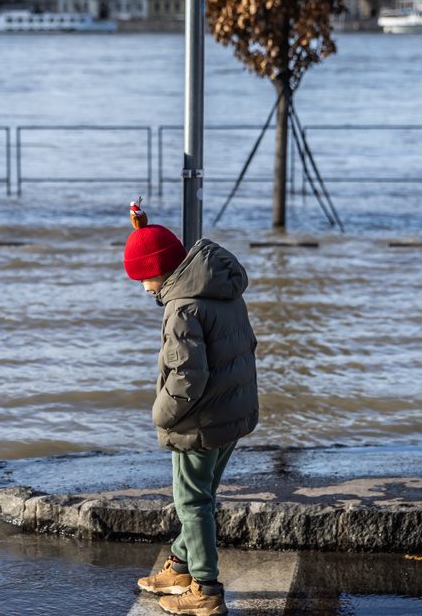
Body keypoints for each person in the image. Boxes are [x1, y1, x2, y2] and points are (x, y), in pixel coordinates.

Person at [123, 200, 259, 616]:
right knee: (201, 494)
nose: (144, 288)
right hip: (231, 412)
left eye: (143, 278)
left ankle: (205, 589)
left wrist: (160, 415)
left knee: (192, 502)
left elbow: (186, 379)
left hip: (199, 422)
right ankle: (181, 566)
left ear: (159, 269)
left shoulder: (181, 308)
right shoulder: (220, 287)